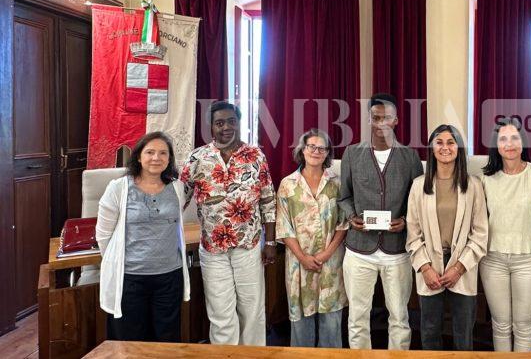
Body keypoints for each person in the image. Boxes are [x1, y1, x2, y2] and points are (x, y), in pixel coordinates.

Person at [180, 101, 276, 346]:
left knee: (252, 310)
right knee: (221, 313)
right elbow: (177, 198)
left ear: (238, 122)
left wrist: (271, 241)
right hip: (213, 250)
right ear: (211, 127)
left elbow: (268, 201)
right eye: (219, 122)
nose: (226, 127)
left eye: (231, 121)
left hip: (249, 246)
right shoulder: (198, 158)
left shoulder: (255, 156)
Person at [337, 93, 423, 350]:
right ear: (369, 119)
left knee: (399, 317)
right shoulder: (352, 154)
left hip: (397, 250)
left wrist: (406, 221)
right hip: (359, 249)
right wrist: (352, 217)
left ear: (396, 120)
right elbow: (344, 197)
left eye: (386, 117)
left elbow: (418, 200)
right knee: (357, 318)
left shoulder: (410, 157)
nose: (381, 122)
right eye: (376, 117)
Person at [96, 131, 190, 342]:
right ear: (139, 156)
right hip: (130, 278)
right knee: (131, 340)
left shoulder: (177, 188)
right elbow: (103, 234)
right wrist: (116, 262)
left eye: (163, 153)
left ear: (169, 159)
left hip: (169, 276)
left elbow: (173, 224)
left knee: (167, 339)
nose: (156, 158)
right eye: (150, 152)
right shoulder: (118, 188)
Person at [406, 125, 488, 350]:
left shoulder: (473, 185)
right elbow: (412, 234)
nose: (445, 147)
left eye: (450, 142)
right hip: (430, 267)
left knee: (463, 336)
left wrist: (459, 268)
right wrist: (425, 268)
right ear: (431, 149)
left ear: (459, 148)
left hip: (462, 266)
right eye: (439, 142)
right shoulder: (418, 186)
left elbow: (480, 233)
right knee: (430, 333)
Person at [479, 117, 531, 351]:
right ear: (496, 145)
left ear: (523, 142)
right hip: (493, 259)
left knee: (524, 326)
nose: (509, 144)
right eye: (503, 139)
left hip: (529, 259)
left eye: (514, 138)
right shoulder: (485, 179)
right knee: (500, 325)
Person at [276, 129, 348, 347]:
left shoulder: (337, 183)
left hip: (331, 261)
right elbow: (284, 226)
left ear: (328, 153)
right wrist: (303, 257)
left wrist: (327, 253)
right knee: (301, 321)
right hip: (299, 263)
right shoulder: (288, 184)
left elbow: (343, 223)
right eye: (311, 147)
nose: (316, 151)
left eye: (322, 148)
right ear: (302, 150)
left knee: (331, 321)